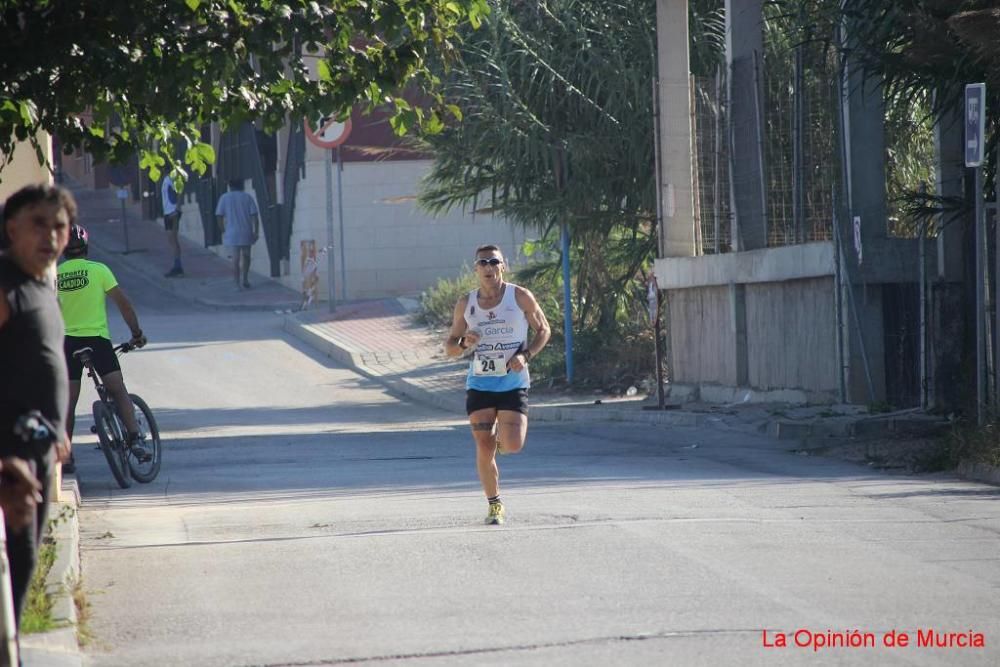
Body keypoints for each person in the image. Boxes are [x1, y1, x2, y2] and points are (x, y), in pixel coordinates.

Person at [0, 183, 73, 627]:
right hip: (12, 459)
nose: (50, 237)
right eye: (38, 224)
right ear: (12, 229)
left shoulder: (41, 283)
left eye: (59, 227)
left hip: (38, 451)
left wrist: (57, 429)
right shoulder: (5, 285)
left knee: (19, 579)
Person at [444, 245, 551, 525]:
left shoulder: (519, 296)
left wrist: (525, 355)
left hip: (513, 382)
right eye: (483, 262)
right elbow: (450, 347)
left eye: (494, 262)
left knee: (513, 445)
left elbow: (544, 329)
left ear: (503, 266)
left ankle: (504, 438)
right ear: (476, 269)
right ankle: (494, 504)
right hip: (480, 382)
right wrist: (465, 343)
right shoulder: (465, 303)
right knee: (483, 444)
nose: (489, 267)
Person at [56, 224, 149, 468]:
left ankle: (66, 457)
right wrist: (136, 334)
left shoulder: (54, 276)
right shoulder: (99, 270)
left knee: (68, 402)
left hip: (67, 343)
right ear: (86, 247)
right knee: (118, 390)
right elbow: (124, 305)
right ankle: (135, 438)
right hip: (96, 340)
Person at [215, 178, 260, 290]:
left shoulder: (224, 198)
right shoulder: (247, 197)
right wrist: (256, 232)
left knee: (235, 259)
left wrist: (222, 229)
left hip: (231, 233)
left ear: (230, 187)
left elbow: (219, 215)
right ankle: (245, 279)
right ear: (242, 185)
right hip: (246, 231)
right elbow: (255, 216)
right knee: (246, 257)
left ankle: (236, 284)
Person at [161, 174, 184, 277]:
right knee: (171, 239)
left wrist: (177, 209)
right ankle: (177, 265)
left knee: (173, 239)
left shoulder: (172, 178)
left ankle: (178, 267)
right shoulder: (165, 180)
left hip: (172, 212)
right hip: (167, 212)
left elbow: (179, 192)